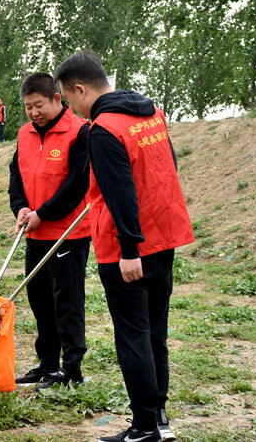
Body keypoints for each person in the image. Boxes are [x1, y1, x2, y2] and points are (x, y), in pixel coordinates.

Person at [55, 51, 194, 442]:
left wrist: (129, 249)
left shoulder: (103, 129)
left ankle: (145, 426)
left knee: (133, 335)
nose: (75, 110)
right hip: (163, 237)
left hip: (127, 249)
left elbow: (120, 193)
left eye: (70, 100)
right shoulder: (152, 114)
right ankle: (159, 419)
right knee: (154, 333)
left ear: (80, 89)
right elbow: (168, 170)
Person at [8, 73, 92, 391]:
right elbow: (17, 176)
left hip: (68, 233)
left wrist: (44, 214)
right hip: (34, 233)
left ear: (57, 99)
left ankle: (72, 370)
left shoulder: (79, 131)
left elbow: (77, 184)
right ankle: (48, 364)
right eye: (28, 107)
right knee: (40, 300)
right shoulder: (25, 134)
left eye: (39, 105)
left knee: (66, 302)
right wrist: (21, 208)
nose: (33, 113)